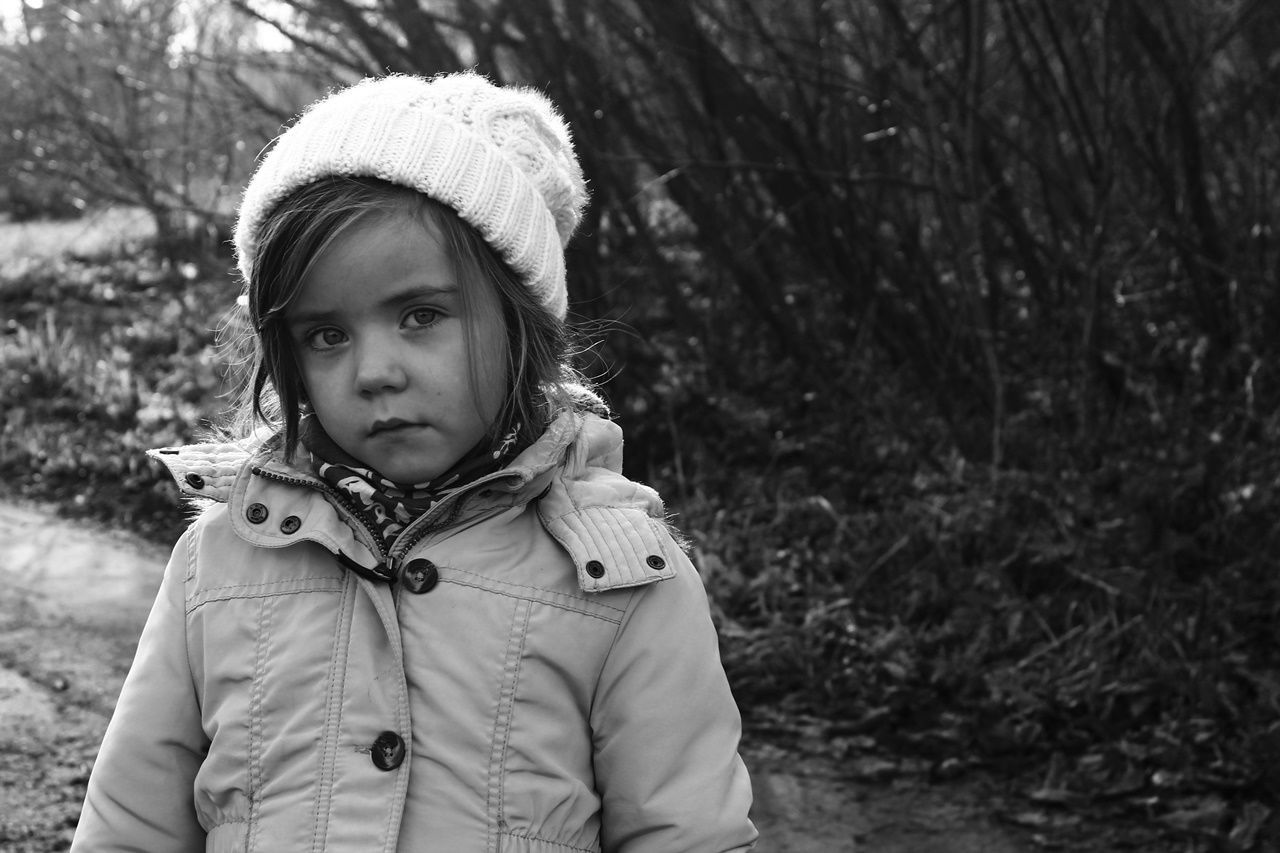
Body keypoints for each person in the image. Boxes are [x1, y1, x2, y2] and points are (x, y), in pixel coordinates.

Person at [70, 72, 757, 852]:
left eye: (421, 314)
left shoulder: (623, 583)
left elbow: (689, 832)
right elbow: (128, 826)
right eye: (326, 334)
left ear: (521, 321)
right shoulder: (220, 561)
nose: (373, 371)